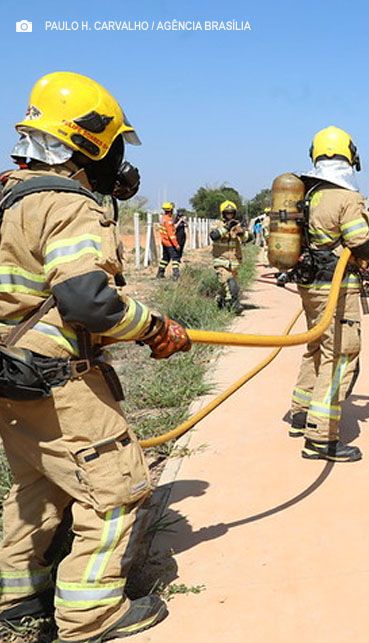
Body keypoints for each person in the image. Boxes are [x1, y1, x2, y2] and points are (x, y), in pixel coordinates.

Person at [0, 71, 191, 642]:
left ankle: (17, 597)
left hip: (12, 377)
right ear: (89, 144)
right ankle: (92, 614)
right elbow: (86, 298)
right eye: (112, 149)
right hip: (57, 379)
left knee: (40, 485)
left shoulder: (9, 197)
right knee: (116, 487)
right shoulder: (66, 204)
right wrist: (154, 327)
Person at [287, 125, 369, 462]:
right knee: (340, 354)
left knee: (316, 345)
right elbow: (359, 244)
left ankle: (300, 413)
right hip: (336, 288)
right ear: (349, 156)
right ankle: (321, 439)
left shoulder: (307, 192)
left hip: (308, 285)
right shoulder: (346, 197)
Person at [209, 200, 248, 311]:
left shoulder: (237, 226)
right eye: (227, 213)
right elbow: (214, 235)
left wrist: (242, 233)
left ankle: (220, 299)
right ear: (223, 214)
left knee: (226, 286)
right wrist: (226, 228)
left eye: (231, 213)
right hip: (221, 261)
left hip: (235, 262)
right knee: (230, 283)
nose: (230, 215)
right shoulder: (217, 224)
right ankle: (234, 304)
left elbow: (249, 238)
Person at [155, 202, 181, 280]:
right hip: (169, 243)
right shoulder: (168, 220)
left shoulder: (163, 219)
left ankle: (160, 273)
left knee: (165, 258)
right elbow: (171, 235)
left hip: (164, 242)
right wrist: (176, 245)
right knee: (175, 258)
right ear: (170, 210)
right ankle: (176, 275)